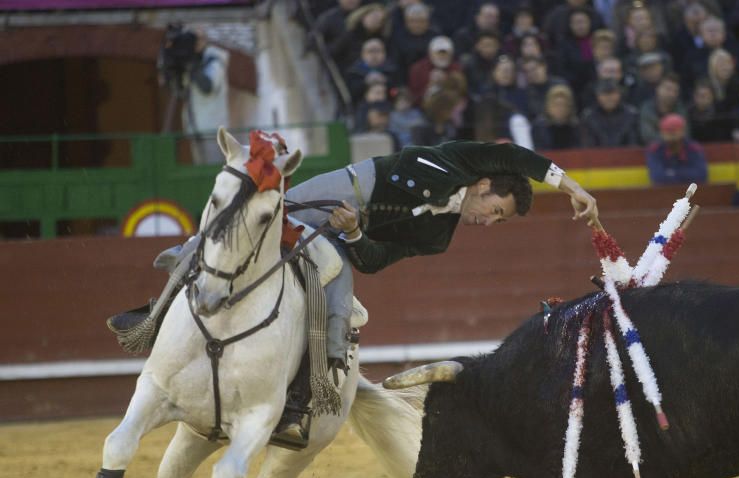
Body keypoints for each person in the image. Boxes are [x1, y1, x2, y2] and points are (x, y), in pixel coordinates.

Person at [124, 140, 600, 445]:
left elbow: (373, 259)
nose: (489, 222)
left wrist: (353, 234)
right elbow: (518, 157)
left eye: (499, 222)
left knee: (340, 299)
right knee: (251, 219)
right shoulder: (456, 162)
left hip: (343, 235)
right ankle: (157, 312)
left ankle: (302, 400)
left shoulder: (438, 237)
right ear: (483, 185)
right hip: (348, 188)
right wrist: (571, 185)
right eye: (497, 210)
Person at [160, 26, 230, 164]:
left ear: (205, 41)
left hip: (213, 131)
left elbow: (207, 86)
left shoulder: (215, 59)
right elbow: (181, 93)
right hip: (195, 130)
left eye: (196, 39)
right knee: (199, 174)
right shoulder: (191, 62)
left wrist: (191, 66)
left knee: (214, 173)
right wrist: (173, 72)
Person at [645, 113, 708, 185]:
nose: (671, 135)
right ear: (662, 133)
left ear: (683, 131)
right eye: (668, 131)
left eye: (674, 131)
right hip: (664, 194)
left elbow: (701, 176)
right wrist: (686, 174)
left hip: (692, 194)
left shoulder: (694, 148)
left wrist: (671, 173)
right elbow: (657, 178)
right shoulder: (655, 150)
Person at [579, 78, 641, 147]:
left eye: (612, 93)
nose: (609, 98)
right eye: (604, 94)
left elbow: (633, 144)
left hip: (626, 156)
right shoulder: (588, 116)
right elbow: (587, 145)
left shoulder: (631, 114)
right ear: (597, 96)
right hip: (597, 156)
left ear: (620, 94)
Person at [531, 83, 582, 149]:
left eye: (564, 105)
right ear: (548, 107)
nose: (560, 109)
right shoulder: (539, 128)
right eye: (556, 105)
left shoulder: (577, 127)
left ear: (570, 107)